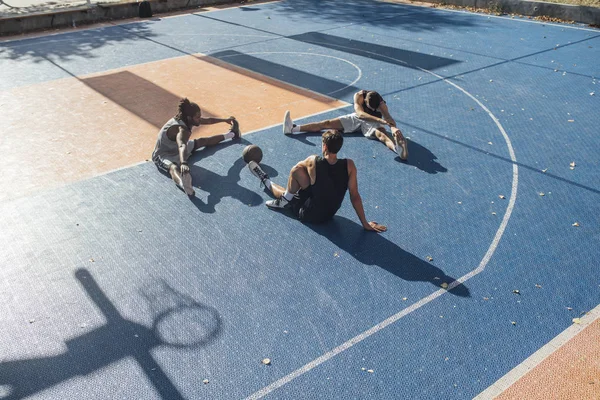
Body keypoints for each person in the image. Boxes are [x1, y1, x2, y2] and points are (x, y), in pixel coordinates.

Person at [248, 129, 386, 232]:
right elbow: (354, 196)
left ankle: (272, 187)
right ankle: (288, 197)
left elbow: (296, 170)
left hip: (310, 214)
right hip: (330, 213)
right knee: (308, 179)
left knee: (296, 171)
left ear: (324, 146)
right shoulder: (350, 165)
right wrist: (365, 224)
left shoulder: (312, 161)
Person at [282, 89, 408, 160]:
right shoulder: (358, 96)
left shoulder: (381, 104)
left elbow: (388, 117)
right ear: (364, 100)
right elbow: (360, 114)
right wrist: (381, 121)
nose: (375, 110)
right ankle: (292, 128)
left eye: (376, 109)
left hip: (372, 122)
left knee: (382, 135)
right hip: (358, 118)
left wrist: (393, 128)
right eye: (371, 107)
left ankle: (398, 150)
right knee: (326, 123)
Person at [152, 98, 240, 196]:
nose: (200, 119)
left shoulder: (187, 119)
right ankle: (184, 185)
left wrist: (225, 120)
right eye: (198, 117)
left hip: (176, 148)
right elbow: (182, 145)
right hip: (164, 154)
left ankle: (231, 134)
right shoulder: (181, 129)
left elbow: (208, 120)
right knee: (173, 168)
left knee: (203, 141)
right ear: (189, 118)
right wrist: (183, 163)